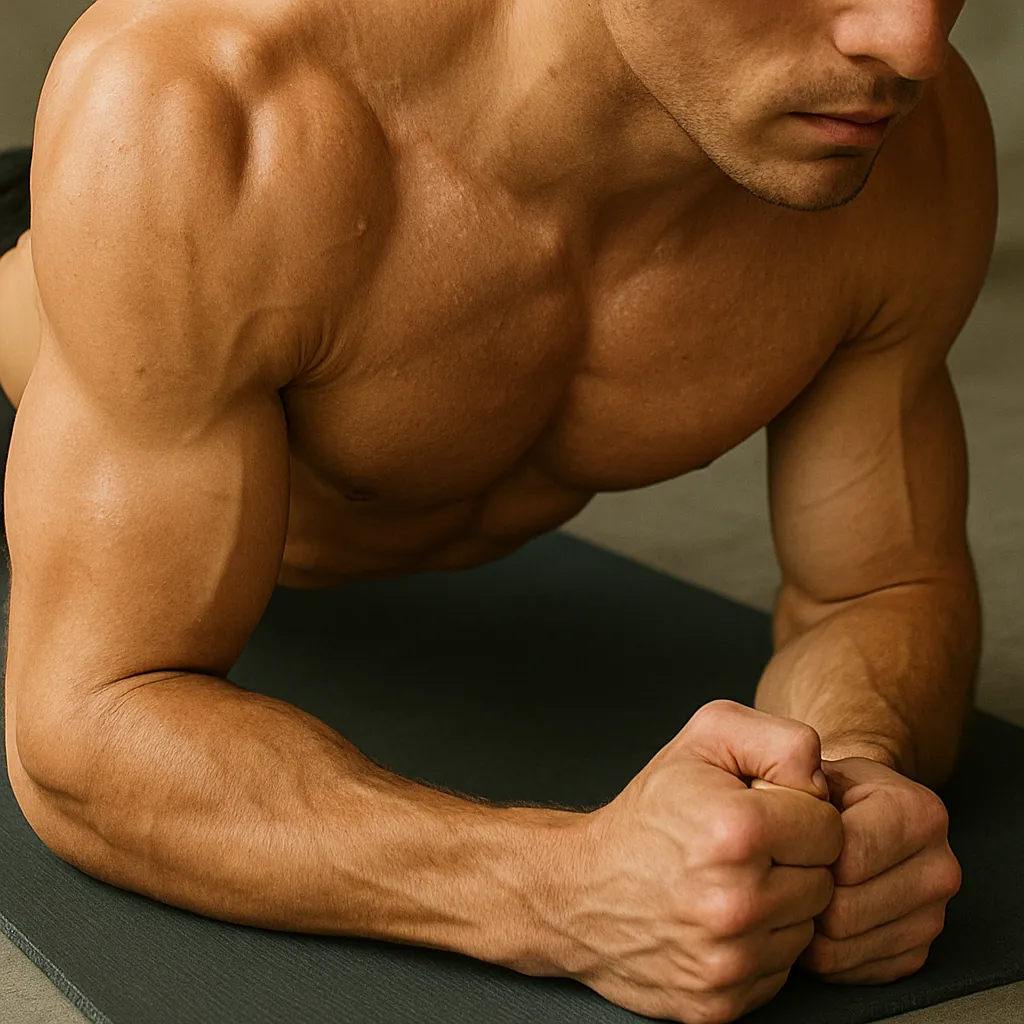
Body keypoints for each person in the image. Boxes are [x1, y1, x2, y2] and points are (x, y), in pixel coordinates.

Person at [0, 0, 995, 1021]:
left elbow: (883, 583)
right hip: (93, 346)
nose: (911, 42)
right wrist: (562, 890)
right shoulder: (200, 115)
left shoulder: (904, 149)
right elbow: (83, 728)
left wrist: (836, 785)